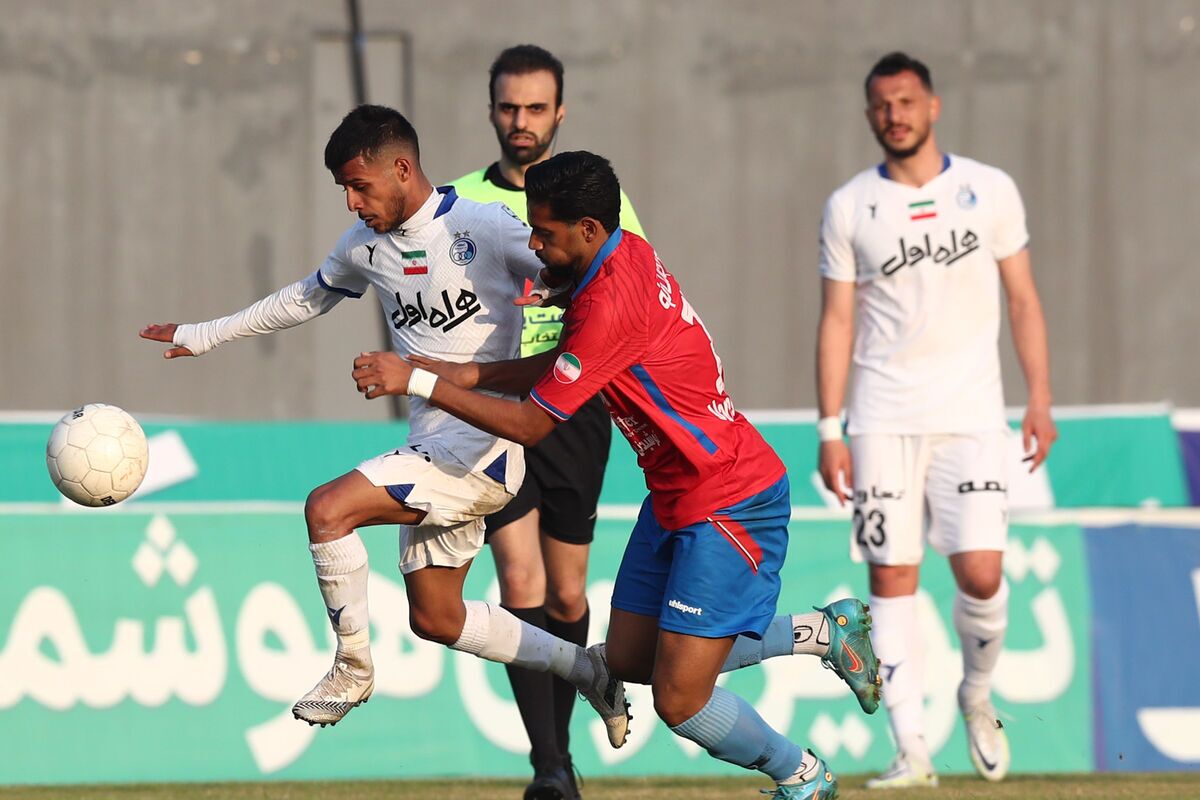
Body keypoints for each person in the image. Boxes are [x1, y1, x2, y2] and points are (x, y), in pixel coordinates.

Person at [350, 150, 881, 800]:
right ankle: (824, 632)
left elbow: (531, 425)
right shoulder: (620, 255)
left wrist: (421, 380)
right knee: (628, 659)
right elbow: (570, 359)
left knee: (680, 700)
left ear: (588, 229)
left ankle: (802, 776)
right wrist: (469, 373)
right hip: (676, 494)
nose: (534, 246)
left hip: (730, 501)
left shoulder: (607, 302)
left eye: (544, 233)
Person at [138, 105, 632, 745]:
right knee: (437, 617)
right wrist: (205, 334)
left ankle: (352, 667)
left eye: (359, 185)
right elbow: (303, 298)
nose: (351, 202)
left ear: (402, 169)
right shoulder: (363, 246)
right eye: (343, 189)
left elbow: (572, 267)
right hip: (430, 446)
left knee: (327, 509)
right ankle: (587, 668)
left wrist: (557, 296)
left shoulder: (484, 227)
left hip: (483, 451)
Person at [815, 52, 1057, 788]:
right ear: (869, 115)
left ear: (933, 106)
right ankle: (911, 748)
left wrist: (1039, 398)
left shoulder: (989, 190)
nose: (895, 115)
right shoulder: (850, 205)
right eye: (882, 104)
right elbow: (836, 320)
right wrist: (830, 429)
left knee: (981, 573)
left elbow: (1023, 299)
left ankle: (976, 695)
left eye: (906, 101)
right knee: (891, 577)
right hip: (881, 418)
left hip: (972, 415)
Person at [451, 44, 645, 800]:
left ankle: (561, 747)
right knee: (519, 577)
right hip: (497, 411)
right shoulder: (460, 201)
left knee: (566, 594)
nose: (521, 121)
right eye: (509, 107)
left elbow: (629, 292)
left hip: (574, 407)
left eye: (535, 108)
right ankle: (550, 765)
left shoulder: (601, 202)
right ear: (491, 110)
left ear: (560, 112)